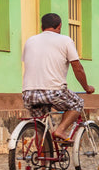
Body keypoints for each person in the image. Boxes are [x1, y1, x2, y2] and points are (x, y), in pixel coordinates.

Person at [22, 12, 94, 144]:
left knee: (41, 129)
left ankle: (43, 163)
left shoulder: (30, 41)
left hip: (28, 94)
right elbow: (77, 67)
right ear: (59, 26)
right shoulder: (65, 40)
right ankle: (60, 130)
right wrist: (87, 87)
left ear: (42, 27)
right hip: (53, 91)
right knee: (77, 103)